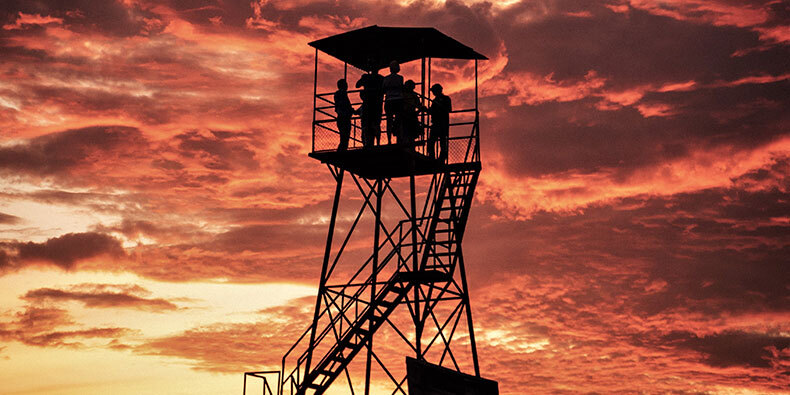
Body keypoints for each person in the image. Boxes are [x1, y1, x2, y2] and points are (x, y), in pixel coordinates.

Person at [355, 69, 383, 147]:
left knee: (368, 125)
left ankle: (367, 143)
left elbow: (357, 85)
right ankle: (376, 143)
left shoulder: (366, 77)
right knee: (376, 125)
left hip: (368, 105)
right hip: (376, 105)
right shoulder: (381, 78)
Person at [427, 83, 451, 162]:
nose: (432, 92)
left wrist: (439, 107)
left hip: (442, 123)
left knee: (442, 142)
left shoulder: (446, 99)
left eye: (433, 91)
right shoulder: (434, 101)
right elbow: (432, 111)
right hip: (436, 123)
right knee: (431, 141)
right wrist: (427, 110)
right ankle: (431, 157)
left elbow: (448, 109)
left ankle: (442, 158)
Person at [382, 60, 404, 144]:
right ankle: (399, 139)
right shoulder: (400, 78)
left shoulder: (386, 78)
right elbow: (401, 88)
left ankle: (389, 140)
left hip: (389, 100)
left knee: (389, 121)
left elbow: (383, 89)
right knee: (399, 120)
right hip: (398, 100)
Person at [401, 79, 421, 146]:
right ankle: (405, 146)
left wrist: (417, 111)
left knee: (411, 133)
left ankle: (410, 147)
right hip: (404, 114)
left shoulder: (414, 95)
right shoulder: (402, 94)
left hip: (410, 114)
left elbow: (419, 105)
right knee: (404, 132)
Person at [333, 79, 352, 151]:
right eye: (346, 84)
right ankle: (341, 150)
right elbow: (345, 104)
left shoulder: (338, 94)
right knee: (345, 136)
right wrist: (350, 110)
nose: (347, 86)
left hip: (341, 117)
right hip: (344, 117)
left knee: (343, 136)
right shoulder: (342, 93)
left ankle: (342, 150)